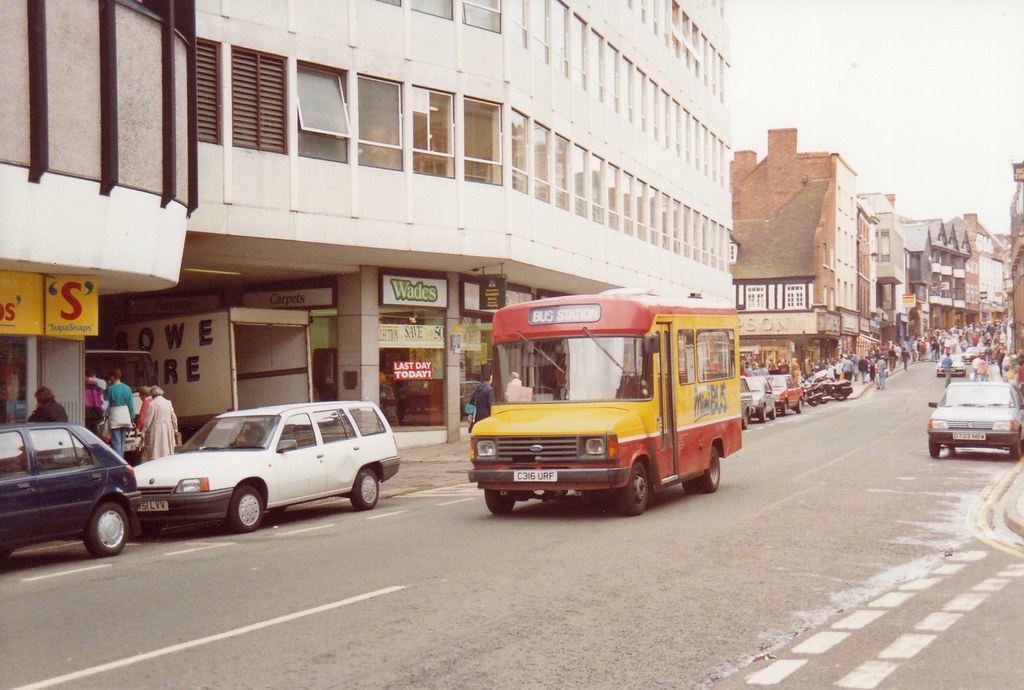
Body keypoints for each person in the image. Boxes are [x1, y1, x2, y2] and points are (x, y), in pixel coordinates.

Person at [104, 369, 135, 458]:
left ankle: (118, 462)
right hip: (125, 416)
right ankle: (122, 460)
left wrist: (105, 415)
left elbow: (106, 404)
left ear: (112, 377)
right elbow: (130, 404)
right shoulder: (127, 388)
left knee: (116, 441)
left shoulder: (110, 389)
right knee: (122, 441)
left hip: (115, 417)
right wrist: (132, 416)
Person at [141, 386, 179, 461]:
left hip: (156, 428)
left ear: (152, 394)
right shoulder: (168, 402)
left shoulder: (152, 404)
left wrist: (143, 431)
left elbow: (148, 420)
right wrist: (175, 428)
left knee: (157, 449)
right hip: (168, 427)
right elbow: (173, 417)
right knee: (167, 448)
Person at [83, 370, 105, 435]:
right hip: (95, 417)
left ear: (85, 376)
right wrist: (100, 415)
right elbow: (101, 404)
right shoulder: (99, 389)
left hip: (85, 415)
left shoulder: (82, 388)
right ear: (94, 377)